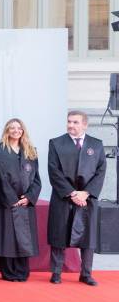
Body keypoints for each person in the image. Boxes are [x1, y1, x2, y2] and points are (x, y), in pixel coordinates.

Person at [47, 110, 105, 286]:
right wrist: (72, 193)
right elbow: (54, 171)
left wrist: (86, 193)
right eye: (69, 121)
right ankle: (56, 272)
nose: (71, 125)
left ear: (85, 125)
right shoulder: (56, 143)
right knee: (59, 235)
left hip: (87, 199)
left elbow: (100, 171)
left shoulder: (96, 145)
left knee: (88, 238)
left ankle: (86, 274)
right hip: (63, 197)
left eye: (75, 122)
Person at [0, 118, 42, 282]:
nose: (16, 130)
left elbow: (36, 179)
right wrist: (11, 198)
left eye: (19, 128)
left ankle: (22, 271)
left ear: (23, 131)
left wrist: (29, 197)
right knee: (7, 238)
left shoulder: (30, 151)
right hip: (4, 203)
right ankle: (9, 271)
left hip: (25, 204)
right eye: (12, 128)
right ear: (7, 130)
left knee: (23, 239)